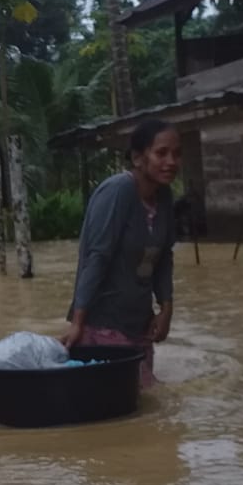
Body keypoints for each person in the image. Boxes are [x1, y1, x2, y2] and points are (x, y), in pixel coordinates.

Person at [61, 118, 179, 388]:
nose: (171, 161)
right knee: (137, 401)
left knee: (143, 401)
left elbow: (164, 259)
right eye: (161, 153)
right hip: (105, 322)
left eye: (176, 153)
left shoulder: (164, 197)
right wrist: (78, 323)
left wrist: (166, 309)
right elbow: (97, 257)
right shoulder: (118, 191)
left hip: (139, 322)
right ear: (138, 158)